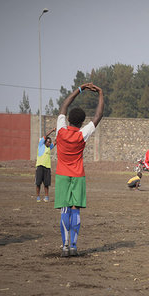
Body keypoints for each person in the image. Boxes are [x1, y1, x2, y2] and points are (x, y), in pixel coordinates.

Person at [55, 83, 104, 257]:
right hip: (78, 176)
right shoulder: (82, 134)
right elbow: (98, 116)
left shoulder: (60, 131)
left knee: (65, 210)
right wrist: (100, 93)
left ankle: (65, 247)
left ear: (68, 119)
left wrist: (80, 89)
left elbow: (64, 106)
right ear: (82, 122)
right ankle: (74, 246)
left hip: (62, 175)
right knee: (75, 209)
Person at [35, 127, 56, 202]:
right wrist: (52, 130)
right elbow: (45, 135)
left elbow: (56, 141)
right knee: (38, 183)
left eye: (50, 142)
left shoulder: (49, 148)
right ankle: (38, 196)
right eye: (47, 141)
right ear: (44, 142)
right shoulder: (41, 145)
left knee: (46, 184)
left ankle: (46, 197)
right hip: (40, 166)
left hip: (47, 168)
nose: (49, 143)